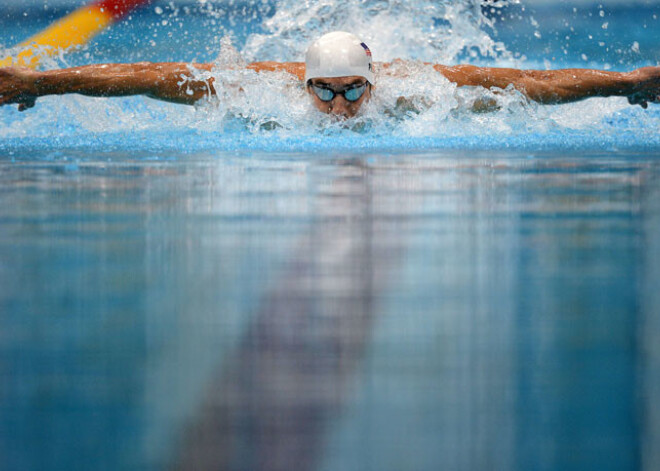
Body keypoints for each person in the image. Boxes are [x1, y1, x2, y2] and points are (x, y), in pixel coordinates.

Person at [1, 31, 659, 118]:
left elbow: (529, 83)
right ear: (302, 84)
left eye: (354, 91)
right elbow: (146, 75)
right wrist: (35, 83)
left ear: (374, 83)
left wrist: (629, 83)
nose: (342, 109)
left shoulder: (414, 88)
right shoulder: (262, 87)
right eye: (326, 92)